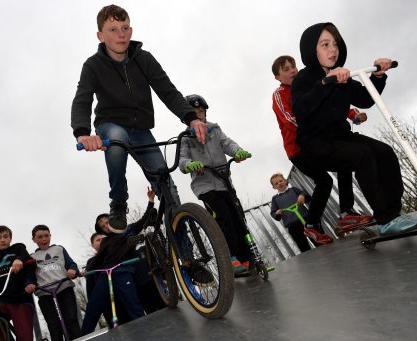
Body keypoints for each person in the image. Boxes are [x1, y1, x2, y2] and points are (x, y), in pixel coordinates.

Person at [71, 4, 207, 234]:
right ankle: (118, 202)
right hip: (110, 125)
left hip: (142, 131)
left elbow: (168, 91)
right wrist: (83, 133)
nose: (120, 34)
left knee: (167, 188)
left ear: (131, 31)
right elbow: (82, 99)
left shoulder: (144, 59)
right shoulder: (92, 66)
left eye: (124, 28)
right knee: (117, 137)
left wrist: (191, 118)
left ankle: (185, 255)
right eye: (112, 29)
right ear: (100, 36)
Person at [291, 22, 417, 235]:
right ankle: (385, 219)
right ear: (311, 50)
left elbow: (366, 99)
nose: (333, 49)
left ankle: (393, 213)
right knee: (362, 154)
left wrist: (378, 76)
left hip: (341, 137)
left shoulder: (343, 76)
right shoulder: (303, 79)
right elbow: (300, 109)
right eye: (325, 44)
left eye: (335, 44)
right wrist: (324, 83)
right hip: (316, 145)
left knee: (384, 152)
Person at [272, 55, 373, 244]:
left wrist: (353, 114)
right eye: (285, 69)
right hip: (298, 150)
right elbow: (289, 118)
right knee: (324, 181)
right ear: (277, 77)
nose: (292, 70)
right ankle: (312, 225)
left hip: (320, 140)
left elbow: (327, 102)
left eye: (293, 66)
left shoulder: (306, 84)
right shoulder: (279, 95)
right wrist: (315, 127)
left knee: (344, 158)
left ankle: (345, 213)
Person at [179, 94, 253, 274]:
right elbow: (182, 159)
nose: (199, 115)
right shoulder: (185, 138)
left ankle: (248, 259)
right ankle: (231, 260)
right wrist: (190, 165)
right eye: (194, 113)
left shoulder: (215, 129)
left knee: (238, 217)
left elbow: (227, 143)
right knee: (224, 218)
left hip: (224, 183)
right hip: (205, 187)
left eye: (201, 111)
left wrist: (238, 152)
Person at [81, 188, 157, 334]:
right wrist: (87, 269)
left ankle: (145, 331)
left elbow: (144, 220)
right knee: (93, 305)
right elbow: (98, 259)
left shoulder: (127, 230)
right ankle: (82, 338)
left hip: (123, 271)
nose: (106, 226)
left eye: (107, 222)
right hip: (106, 274)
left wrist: (151, 201)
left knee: (132, 302)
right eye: (102, 226)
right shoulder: (105, 242)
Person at [27, 225, 82, 341]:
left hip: (63, 287)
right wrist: (29, 284)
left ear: (50, 236)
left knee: (71, 321)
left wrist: (72, 270)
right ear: (33, 239)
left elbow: (71, 264)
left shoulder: (59, 249)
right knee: (53, 326)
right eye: (40, 237)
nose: (44, 239)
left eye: (46, 236)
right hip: (45, 292)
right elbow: (29, 276)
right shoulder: (31, 257)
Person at [269, 173, 312, 253]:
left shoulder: (293, 190)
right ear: (274, 187)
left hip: (306, 219)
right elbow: (273, 212)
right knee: (304, 247)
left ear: (285, 181)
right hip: (293, 226)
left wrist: (302, 196)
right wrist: (277, 213)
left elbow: (305, 194)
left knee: (317, 239)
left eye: (280, 181)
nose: (279, 183)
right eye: (276, 183)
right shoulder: (275, 199)